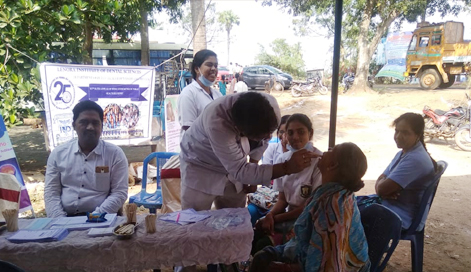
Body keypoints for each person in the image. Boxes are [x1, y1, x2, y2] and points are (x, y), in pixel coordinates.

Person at [180, 92, 317, 212]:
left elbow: (261, 142)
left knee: (236, 219)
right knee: (194, 221)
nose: (269, 138)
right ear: (240, 131)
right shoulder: (218, 122)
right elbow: (240, 171)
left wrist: (253, 164)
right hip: (201, 166)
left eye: (270, 132)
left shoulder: (270, 106)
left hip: (235, 166)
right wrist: (287, 167)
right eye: (261, 136)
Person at [250, 142, 370, 272]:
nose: (325, 152)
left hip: (336, 266)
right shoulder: (330, 192)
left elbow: (329, 265)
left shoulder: (332, 207)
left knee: (262, 260)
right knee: (261, 256)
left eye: (331, 150)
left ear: (332, 165)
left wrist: (288, 268)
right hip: (306, 252)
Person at [44, 100, 128, 218]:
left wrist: (94, 218)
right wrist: (60, 221)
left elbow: (119, 193)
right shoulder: (58, 154)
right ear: (74, 125)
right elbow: (51, 193)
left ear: (101, 126)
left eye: (95, 123)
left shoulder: (114, 154)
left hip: (102, 219)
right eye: (84, 122)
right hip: (64, 219)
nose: (90, 127)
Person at [252, 114, 323, 253]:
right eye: (290, 132)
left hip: (308, 221)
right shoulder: (282, 160)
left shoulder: (319, 162)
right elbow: (282, 200)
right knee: (255, 232)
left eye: (301, 132)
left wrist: (274, 218)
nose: (295, 137)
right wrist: (269, 216)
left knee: (264, 245)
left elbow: (308, 208)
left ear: (311, 133)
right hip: (288, 215)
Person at [373, 112, 436, 229]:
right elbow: (381, 181)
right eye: (397, 131)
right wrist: (383, 186)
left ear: (417, 135)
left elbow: (382, 189)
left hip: (404, 216)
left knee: (353, 215)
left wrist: (383, 187)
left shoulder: (415, 159)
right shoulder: (403, 153)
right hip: (393, 207)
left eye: (405, 133)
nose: (398, 136)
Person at [247, 115, 291, 226]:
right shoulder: (272, 148)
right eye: (281, 132)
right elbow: (264, 174)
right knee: (248, 213)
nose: (283, 136)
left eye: (288, 132)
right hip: (266, 196)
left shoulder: (299, 156)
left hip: (283, 201)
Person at [178, 49, 223, 139]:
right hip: (195, 150)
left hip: (215, 149)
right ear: (196, 69)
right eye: (209, 65)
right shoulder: (188, 94)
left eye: (216, 65)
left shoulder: (218, 95)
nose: (214, 69)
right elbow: (189, 129)